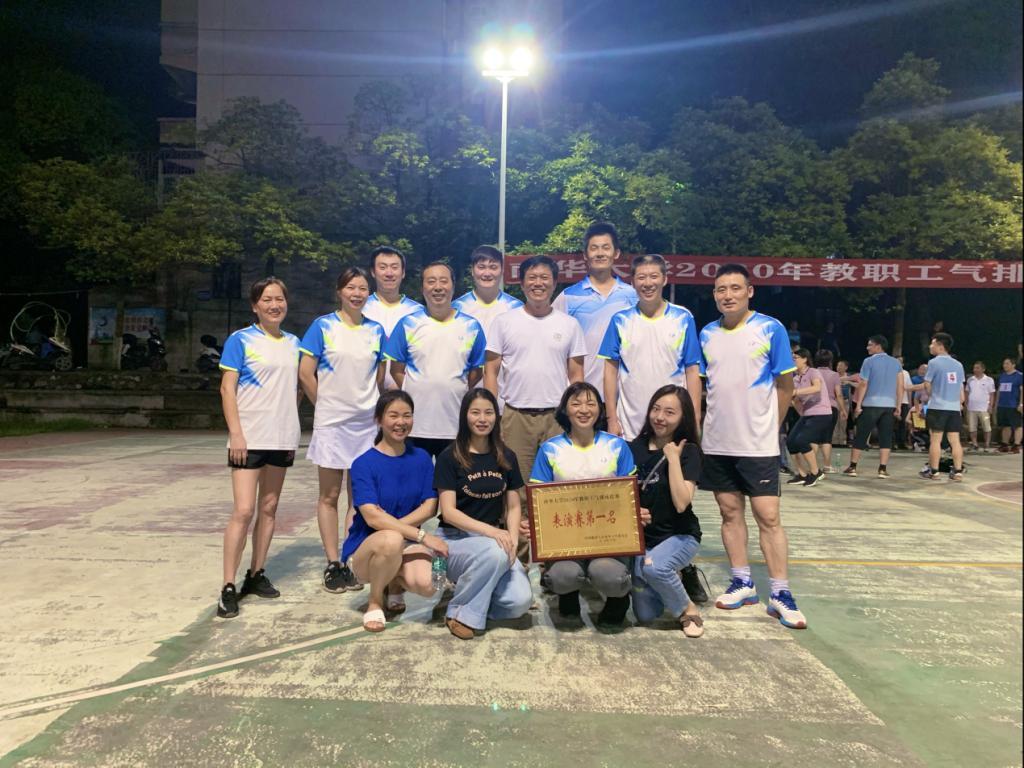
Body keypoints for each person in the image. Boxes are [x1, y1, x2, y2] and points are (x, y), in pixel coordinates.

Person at [698, 264, 807, 630]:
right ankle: (742, 581)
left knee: (768, 516)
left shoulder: (770, 328)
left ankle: (780, 592)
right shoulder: (707, 333)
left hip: (758, 444)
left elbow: (786, 386)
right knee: (729, 513)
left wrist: (771, 428)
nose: (727, 295)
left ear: (750, 291)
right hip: (718, 441)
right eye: (721, 289)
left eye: (735, 288)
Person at [216, 277, 301, 619]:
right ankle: (228, 585)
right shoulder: (241, 339)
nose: (274, 305)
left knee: (269, 507)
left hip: (282, 437)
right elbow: (227, 389)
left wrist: (289, 419)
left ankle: (256, 573)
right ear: (255, 306)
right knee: (243, 510)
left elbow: (296, 387)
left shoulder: (294, 343)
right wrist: (236, 433)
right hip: (248, 438)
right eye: (267, 300)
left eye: (279, 299)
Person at [299, 266, 385, 594]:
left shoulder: (376, 330)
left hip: (366, 426)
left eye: (362, 288)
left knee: (358, 497)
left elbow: (378, 376)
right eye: (351, 287)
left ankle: (349, 559)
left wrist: (368, 408)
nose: (357, 293)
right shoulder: (322, 326)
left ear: (369, 293)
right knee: (329, 495)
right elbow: (305, 373)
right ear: (339, 291)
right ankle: (332, 562)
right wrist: (325, 405)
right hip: (332, 425)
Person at [529, 382, 637, 625]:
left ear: (599, 409)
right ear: (565, 410)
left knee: (609, 576)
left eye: (590, 403)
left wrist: (636, 512)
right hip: (566, 538)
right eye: (576, 403)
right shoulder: (550, 449)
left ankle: (618, 600)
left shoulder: (617, 446)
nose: (584, 409)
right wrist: (534, 524)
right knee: (562, 576)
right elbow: (541, 501)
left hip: (609, 537)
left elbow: (629, 496)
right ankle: (568, 595)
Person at [484, 255, 587, 504]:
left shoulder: (570, 324)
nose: (538, 283)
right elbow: (491, 372)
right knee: (516, 487)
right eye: (532, 277)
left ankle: (555, 531)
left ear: (554, 283)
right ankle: (518, 532)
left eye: (544, 278)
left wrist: (574, 417)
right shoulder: (504, 322)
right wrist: (493, 414)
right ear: (521, 284)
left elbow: (576, 376)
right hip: (515, 417)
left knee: (557, 483)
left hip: (557, 418)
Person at [433, 388, 533, 639]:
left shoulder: (506, 456)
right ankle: (459, 612)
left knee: (519, 602)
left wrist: (512, 540)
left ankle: (475, 599)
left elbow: (513, 506)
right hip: (453, 540)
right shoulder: (449, 456)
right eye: (475, 412)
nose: (482, 419)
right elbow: (449, 512)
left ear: (496, 417)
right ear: (464, 416)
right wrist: (494, 533)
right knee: (495, 551)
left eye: (489, 413)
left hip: (494, 543)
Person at [344, 391, 447, 632]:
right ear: (379, 419)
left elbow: (430, 507)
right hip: (367, 547)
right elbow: (371, 517)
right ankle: (375, 601)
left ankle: (395, 583)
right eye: (393, 415)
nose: (401, 422)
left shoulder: (422, 458)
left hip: (405, 541)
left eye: (407, 415)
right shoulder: (363, 463)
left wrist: (390, 522)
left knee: (433, 584)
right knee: (390, 540)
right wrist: (419, 535)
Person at [385, 262, 486, 458]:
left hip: (455, 424)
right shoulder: (408, 324)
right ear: (422, 288)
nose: (438, 287)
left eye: (443, 281)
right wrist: (417, 388)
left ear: (453, 286)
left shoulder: (471, 326)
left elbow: (477, 371)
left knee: (453, 476)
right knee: (415, 476)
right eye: (431, 281)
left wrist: (454, 387)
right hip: (415, 425)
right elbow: (396, 369)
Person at [629, 385, 705, 637]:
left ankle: (687, 608)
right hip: (644, 540)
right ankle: (676, 576)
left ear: (683, 417)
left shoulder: (689, 451)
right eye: (656, 409)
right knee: (646, 614)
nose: (660, 417)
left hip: (679, 535)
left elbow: (682, 503)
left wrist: (672, 459)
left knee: (654, 569)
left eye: (670, 412)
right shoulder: (634, 448)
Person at [599, 253, 702, 441]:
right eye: (641, 277)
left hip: (672, 425)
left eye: (654, 276)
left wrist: (694, 418)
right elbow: (610, 373)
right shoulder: (620, 320)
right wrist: (611, 419)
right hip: (629, 425)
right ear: (632, 282)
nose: (648, 283)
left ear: (664, 279)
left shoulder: (683, 318)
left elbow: (692, 371)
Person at [552, 221, 637, 388]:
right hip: (582, 394)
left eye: (606, 248)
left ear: (616, 253)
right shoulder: (568, 297)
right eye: (594, 248)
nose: (600, 254)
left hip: (624, 394)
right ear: (585, 255)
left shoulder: (633, 296)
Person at [453, 245, 523, 410]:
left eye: (493, 267)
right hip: (463, 398)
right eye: (481, 267)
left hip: (507, 399)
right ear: (472, 270)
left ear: (502, 270)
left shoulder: (516, 308)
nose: (487, 273)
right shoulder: (456, 308)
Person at [842, 335, 903, 479]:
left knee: (861, 435)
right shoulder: (896, 363)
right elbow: (900, 386)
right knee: (886, 437)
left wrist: (858, 405)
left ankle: (853, 467)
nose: (867, 347)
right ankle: (882, 469)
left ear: (878, 346)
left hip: (871, 404)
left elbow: (863, 384)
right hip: (889, 405)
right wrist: (898, 405)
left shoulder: (868, 361)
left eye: (870, 345)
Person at [362, 246, 423, 389]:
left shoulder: (418, 312)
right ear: (373, 272)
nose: (389, 273)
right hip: (365, 394)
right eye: (383, 267)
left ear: (403, 272)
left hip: (408, 392)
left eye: (394, 267)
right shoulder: (361, 308)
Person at [911, 333, 965, 481]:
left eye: (932, 343)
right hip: (954, 408)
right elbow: (960, 387)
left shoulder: (934, 363)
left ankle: (934, 471)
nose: (930, 346)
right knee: (955, 440)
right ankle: (958, 471)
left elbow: (927, 383)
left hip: (938, 406)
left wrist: (931, 395)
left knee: (936, 440)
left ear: (940, 346)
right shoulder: (958, 365)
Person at [785, 349, 834, 487]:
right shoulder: (795, 378)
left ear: (805, 359)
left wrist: (795, 391)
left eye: (795, 358)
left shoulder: (813, 372)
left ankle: (815, 472)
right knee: (790, 442)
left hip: (822, 413)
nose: (793, 360)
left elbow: (816, 388)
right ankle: (802, 474)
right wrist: (791, 400)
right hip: (807, 414)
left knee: (802, 440)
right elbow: (796, 401)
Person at [813, 350, 844, 472]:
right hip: (831, 408)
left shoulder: (812, 372)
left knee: (813, 438)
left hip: (814, 408)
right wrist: (843, 409)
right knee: (827, 438)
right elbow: (839, 394)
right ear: (830, 361)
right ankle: (827, 466)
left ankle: (813, 466)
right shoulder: (834, 375)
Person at [965, 361, 996, 452]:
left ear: (983, 369)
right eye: (974, 368)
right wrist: (966, 404)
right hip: (971, 408)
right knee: (972, 427)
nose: (975, 370)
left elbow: (992, 394)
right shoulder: (970, 379)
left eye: (978, 368)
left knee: (986, 427)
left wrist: (990, 405)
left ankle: (987, 445)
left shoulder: (989, 380)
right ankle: (975, 444)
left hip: (984, 408)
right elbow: (966, 392)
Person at [996, 357, 1023, 452]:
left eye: (1007, 363)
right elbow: (999, 391)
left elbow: (1022, 390)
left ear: (1013, 365)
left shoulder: (1019, 376)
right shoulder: (1002, 376)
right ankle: (1005, 444)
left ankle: (1016, 445)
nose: (1005, 365)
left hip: (1014, 405)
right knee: (1005, 425)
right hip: (1003, 405)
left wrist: (1021, 404)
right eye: (1004, 363)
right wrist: (996, 404)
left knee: (1017, 425)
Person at [896, 356, 914, 450]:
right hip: (892, 402)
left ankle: (901, 442)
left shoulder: (906, 373)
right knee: (891, 423)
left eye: (900, 362)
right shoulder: (889, 372)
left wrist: (910, 402)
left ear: (902, 364)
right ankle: (891, 442)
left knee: (903, 423)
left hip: (904, 401)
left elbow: (909, 388)